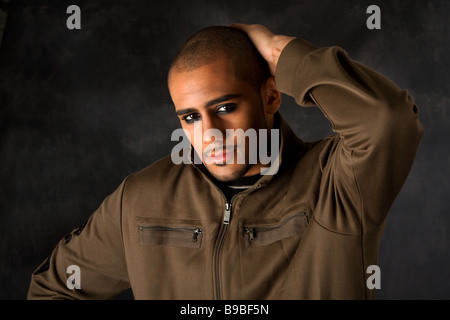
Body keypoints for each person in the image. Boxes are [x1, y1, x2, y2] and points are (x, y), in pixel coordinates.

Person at [27, 23, 423, 300]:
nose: (209, 133)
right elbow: (55, 290)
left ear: (270, 97)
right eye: (191, 117)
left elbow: (388, 121)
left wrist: (278, 51)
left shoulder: (338, 183)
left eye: (226, 107)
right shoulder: (141, 199)